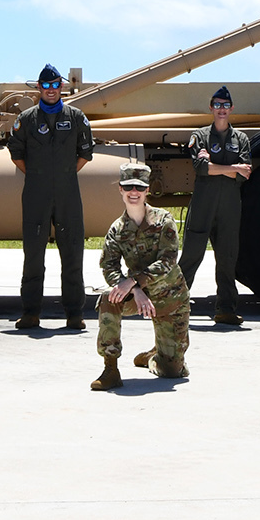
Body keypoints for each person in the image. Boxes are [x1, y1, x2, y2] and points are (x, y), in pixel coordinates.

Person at [92, 161, 191, 391]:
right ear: (120, 190)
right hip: (139, 298)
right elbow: (109, 266)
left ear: (147, 190)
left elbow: (168, 261)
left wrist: (134, 280)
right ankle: (110, 368)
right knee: (109, 298)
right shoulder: (117, 230)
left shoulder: (164, 220)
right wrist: (135, 289)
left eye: (139, 187)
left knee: (173, 371)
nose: (133, 192)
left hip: (171, 299)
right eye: (128, 187)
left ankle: (154, 357)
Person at [9, 64, 93, 330]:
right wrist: (39, 175)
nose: (51, 90)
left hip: (68, 192)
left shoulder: (77, 117)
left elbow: (85, 153)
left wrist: (64, 174)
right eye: (45, 86)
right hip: (36, 193)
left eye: (55, 85)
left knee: (72, 253)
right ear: (38, 88)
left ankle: (74, 313)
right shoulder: (27, 119)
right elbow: (17, 154)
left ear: (62, 87)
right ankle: (31, 312)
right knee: (33, 254)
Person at [179, 86, 252, 326]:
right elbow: (200, 168)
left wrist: (215, 167)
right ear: (211, 107)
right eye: (217, 105)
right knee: (191, 255)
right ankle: (175, 307)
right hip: (203, 204)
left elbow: (245, 174)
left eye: (225, 105)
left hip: (229, 206)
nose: (221, 109)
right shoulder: (199, 136)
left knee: (228, 258)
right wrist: (232, 168)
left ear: (231, 109)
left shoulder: (240, 139)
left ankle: (226, 309)